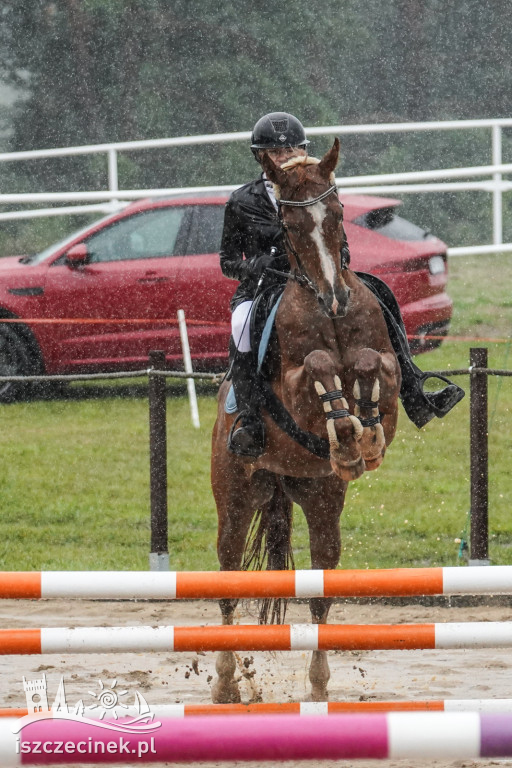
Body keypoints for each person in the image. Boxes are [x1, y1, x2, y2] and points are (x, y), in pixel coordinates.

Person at [219, 111, 464, 458]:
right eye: (277, 152)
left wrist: (339, 260)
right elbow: (228, 261)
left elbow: (338, 238)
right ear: (262, 159)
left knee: (382, 294)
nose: (286, 156)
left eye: (293, 148)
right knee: (242, 324)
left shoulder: (321, 186)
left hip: (322, 277)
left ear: (304, 149)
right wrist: (260, 263)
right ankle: (249, 418)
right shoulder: (243, 200)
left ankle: (414, 389)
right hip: (267, 285)